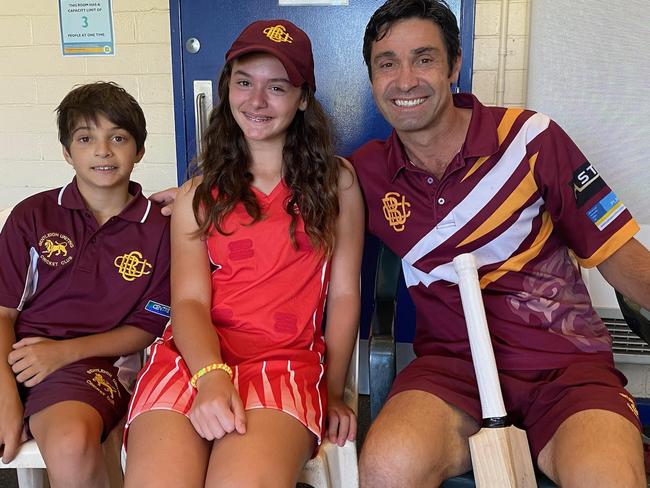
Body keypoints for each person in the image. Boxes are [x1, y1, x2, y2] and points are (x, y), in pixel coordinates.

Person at [352, 1, 650, 487]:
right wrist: (197, 197)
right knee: (387, 467)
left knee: (609, 478)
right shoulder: (364, 173)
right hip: (453, 372)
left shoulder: (532, 138)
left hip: (567, 369)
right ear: (372, 77)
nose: (405, 80)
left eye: (424, 58)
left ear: (454, 65)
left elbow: (622, 260)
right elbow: (274, 195)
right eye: (388, 63)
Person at [123, 19, 363, 488]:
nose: (256, 101)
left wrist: (333, 391)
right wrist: (211, 377)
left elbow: (344, 294)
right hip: (192, 359)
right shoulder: (197, 196)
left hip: (284, 364)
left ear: (303, 98)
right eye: (244, 83)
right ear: (226, 88)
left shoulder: (338, 183)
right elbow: (188, 302)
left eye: (277, 87)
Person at [0, 81, 170, 487]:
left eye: (118, 137)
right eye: (85, 137)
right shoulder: (32, 215)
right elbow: (3, 311)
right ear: (66, 151)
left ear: (140, 150)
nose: (102, 150)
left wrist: (61, 354)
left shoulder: (162, 228)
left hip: (91, 362)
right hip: (12, 353)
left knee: (71, 441)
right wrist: (6, 398)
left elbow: (146, 328)